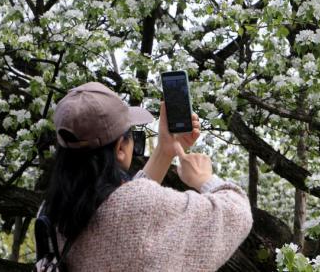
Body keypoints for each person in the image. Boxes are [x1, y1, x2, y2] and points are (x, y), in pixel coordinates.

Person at [37, 82, 253, 271]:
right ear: (120, 147)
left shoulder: (51, 210)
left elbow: (118, 206)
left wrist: (164, 151)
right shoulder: (139, 205)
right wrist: (204, 179)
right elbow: (237, 214)